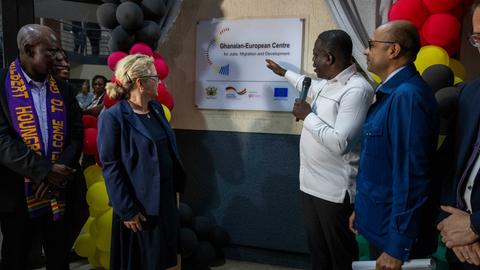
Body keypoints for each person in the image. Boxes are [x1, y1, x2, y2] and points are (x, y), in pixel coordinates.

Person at [266, 30, 374, 270]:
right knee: (319, 254)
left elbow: (340, 143)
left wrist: (307, 116)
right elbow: (308, 85)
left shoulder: (356, 90)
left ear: (329, 58)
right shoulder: (328, 84)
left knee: (340, 257)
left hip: (334, 191)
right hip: (311, 186)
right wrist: (283, 72)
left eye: (316, 55)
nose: (312, 61)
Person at [349, 20, 439, 270]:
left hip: (395, 237)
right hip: (379, 221)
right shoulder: (391, 92)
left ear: (393, 50)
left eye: (371, 45)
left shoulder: (407, 96)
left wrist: (397, 246)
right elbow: (380, 163)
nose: (366, 51)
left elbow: (411, 177)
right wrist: (363, 209)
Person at [0, 24, 84, 269]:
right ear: (28, 49)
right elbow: (2, 140)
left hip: (59, 193)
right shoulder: (1, 85)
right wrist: (44, 171)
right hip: (16, 196)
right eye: (51, 52)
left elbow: (76, 134)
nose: (58, 58)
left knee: (59, 259)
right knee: (17, 258)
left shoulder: (63, 89)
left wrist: (59, 172)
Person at [97, 54, 186, 270]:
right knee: (141, 262)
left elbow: (168, 153)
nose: (159, 82)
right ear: (140, 82)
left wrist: (174, 190)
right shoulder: (114, 117)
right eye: (155, 77)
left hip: (163, 202)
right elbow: (111, 166)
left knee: (163, 260)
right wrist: (126, 209)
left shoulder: (156, 110)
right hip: (138, 208)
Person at [436, 1, 480, 269]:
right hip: (461, 249)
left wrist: (475, 226)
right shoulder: (469, 94)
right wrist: (452, 229)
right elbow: (446, 166)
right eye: (478, 38)